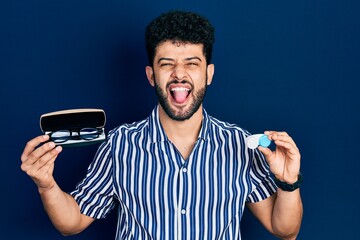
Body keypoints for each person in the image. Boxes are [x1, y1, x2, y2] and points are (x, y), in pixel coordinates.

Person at [21, 10, 303, 239]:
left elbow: (285, 230)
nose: (179, 74)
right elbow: (72, 223)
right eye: (167, 64)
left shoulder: (240, 144)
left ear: (209, 74)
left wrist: (288, 183)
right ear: (151, 75)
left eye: (192, 63)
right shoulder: (121, 144)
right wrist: (47, 186)